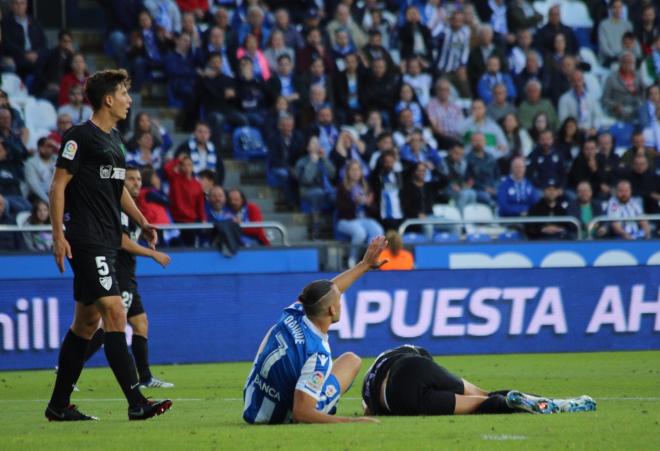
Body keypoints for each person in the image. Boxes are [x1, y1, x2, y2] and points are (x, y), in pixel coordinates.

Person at [45, 69, 171, 421]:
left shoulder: (115, 140)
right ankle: (136, 402)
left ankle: (58, 406)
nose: (130, 100)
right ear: (108, 99)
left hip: (107, 239)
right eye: (125, 93)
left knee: (85, 324)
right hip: (85, 238)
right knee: (115, 312)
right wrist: (58, 235)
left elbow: (118, 191)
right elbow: (57, 187)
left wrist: (143, 220)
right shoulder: (79, 137)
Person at [242, 236, 388, 424]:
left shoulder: (293, 313)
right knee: (351, 361)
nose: (341, 302)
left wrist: (364, 265)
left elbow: (329, 291)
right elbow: (301, 413)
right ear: (331, 309)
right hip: (278, 417)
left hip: (251, 405)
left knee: (274, 331)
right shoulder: (318, 354)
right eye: (339, 300)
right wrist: (352, 422)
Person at [82, 166, 174, 388]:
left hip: (129, 275)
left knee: (140, 323)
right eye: (131, 179)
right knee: (111, 324)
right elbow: (122, 241)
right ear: (121, 183)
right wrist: (153, 254)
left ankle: (146, 378)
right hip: (118, 273)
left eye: (139, 179)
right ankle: (69, 366)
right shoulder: (118, 207)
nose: (136, 183)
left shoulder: (132, 210)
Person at [361, 344, 595, 416]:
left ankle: (510, 404)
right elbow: (424, 362)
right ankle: (558, 403)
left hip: (399, 402)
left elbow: (368, 410)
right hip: (411, 369)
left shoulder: (367, 388)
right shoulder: (408, 353)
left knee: (477, 407)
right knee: (480, 395)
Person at [336, 160, 384, 267]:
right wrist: (355, 202)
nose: (355, 172)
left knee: (378, 231)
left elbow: (375, 211)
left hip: (363, 220)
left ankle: (370, 259)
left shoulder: (366, 187)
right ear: (347, 172)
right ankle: (352, 259)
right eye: (352, 170)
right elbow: (341, 209)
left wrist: (368, 204)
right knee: (360, 232)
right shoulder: (342, 187)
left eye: (357, 169)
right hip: (346, 220)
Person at [163, 153, 207, 246]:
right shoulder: (175, 178)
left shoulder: (197, 184)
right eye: (183, 165)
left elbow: (200, 204)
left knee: (190, 248)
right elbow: (167, 168)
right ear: (180, 166)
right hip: (175, 220)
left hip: (191, 222)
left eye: (189, 165)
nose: (187, 167)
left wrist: (203, 219)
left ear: (193, 167)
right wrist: (178, 159)